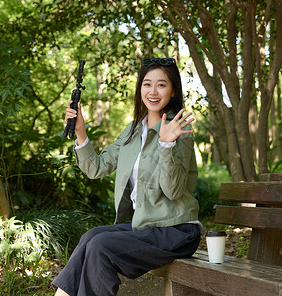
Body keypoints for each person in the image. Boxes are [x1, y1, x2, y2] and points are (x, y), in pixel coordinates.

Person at [52, 57, 201, 296]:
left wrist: (165, 145)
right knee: (92, 236)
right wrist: (80, 132)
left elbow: (173, 191)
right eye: (147, 84)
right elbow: (96, 168)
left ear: (173, 91)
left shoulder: (179, 131)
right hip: (144, 226)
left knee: (100, 246)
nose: (153, 91)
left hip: (176, 230)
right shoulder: (132, 131)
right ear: (140, 88)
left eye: (161, 85)